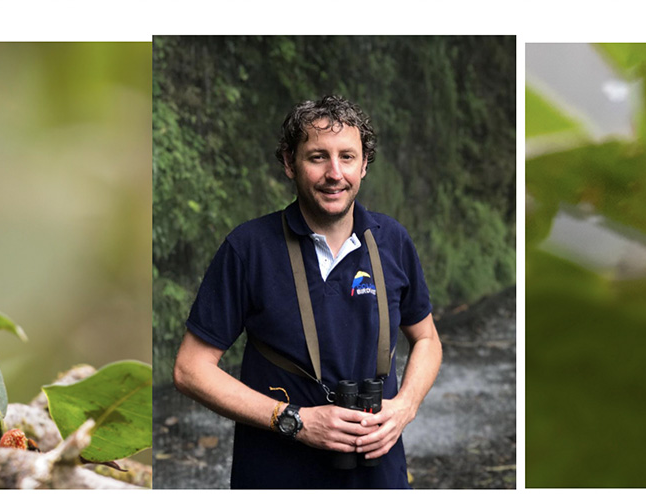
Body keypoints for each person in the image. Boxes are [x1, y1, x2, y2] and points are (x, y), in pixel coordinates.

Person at [173, 95, 443, 488]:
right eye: (318, 157)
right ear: (289, 163)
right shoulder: (248, 248)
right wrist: (295, 421)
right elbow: (189, 369)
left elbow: (427, 338)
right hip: (276, 472)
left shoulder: (392, 240)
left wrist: (404, 407)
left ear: (364, 165)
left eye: (347, 157)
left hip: (378, 471)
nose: (335, 173)